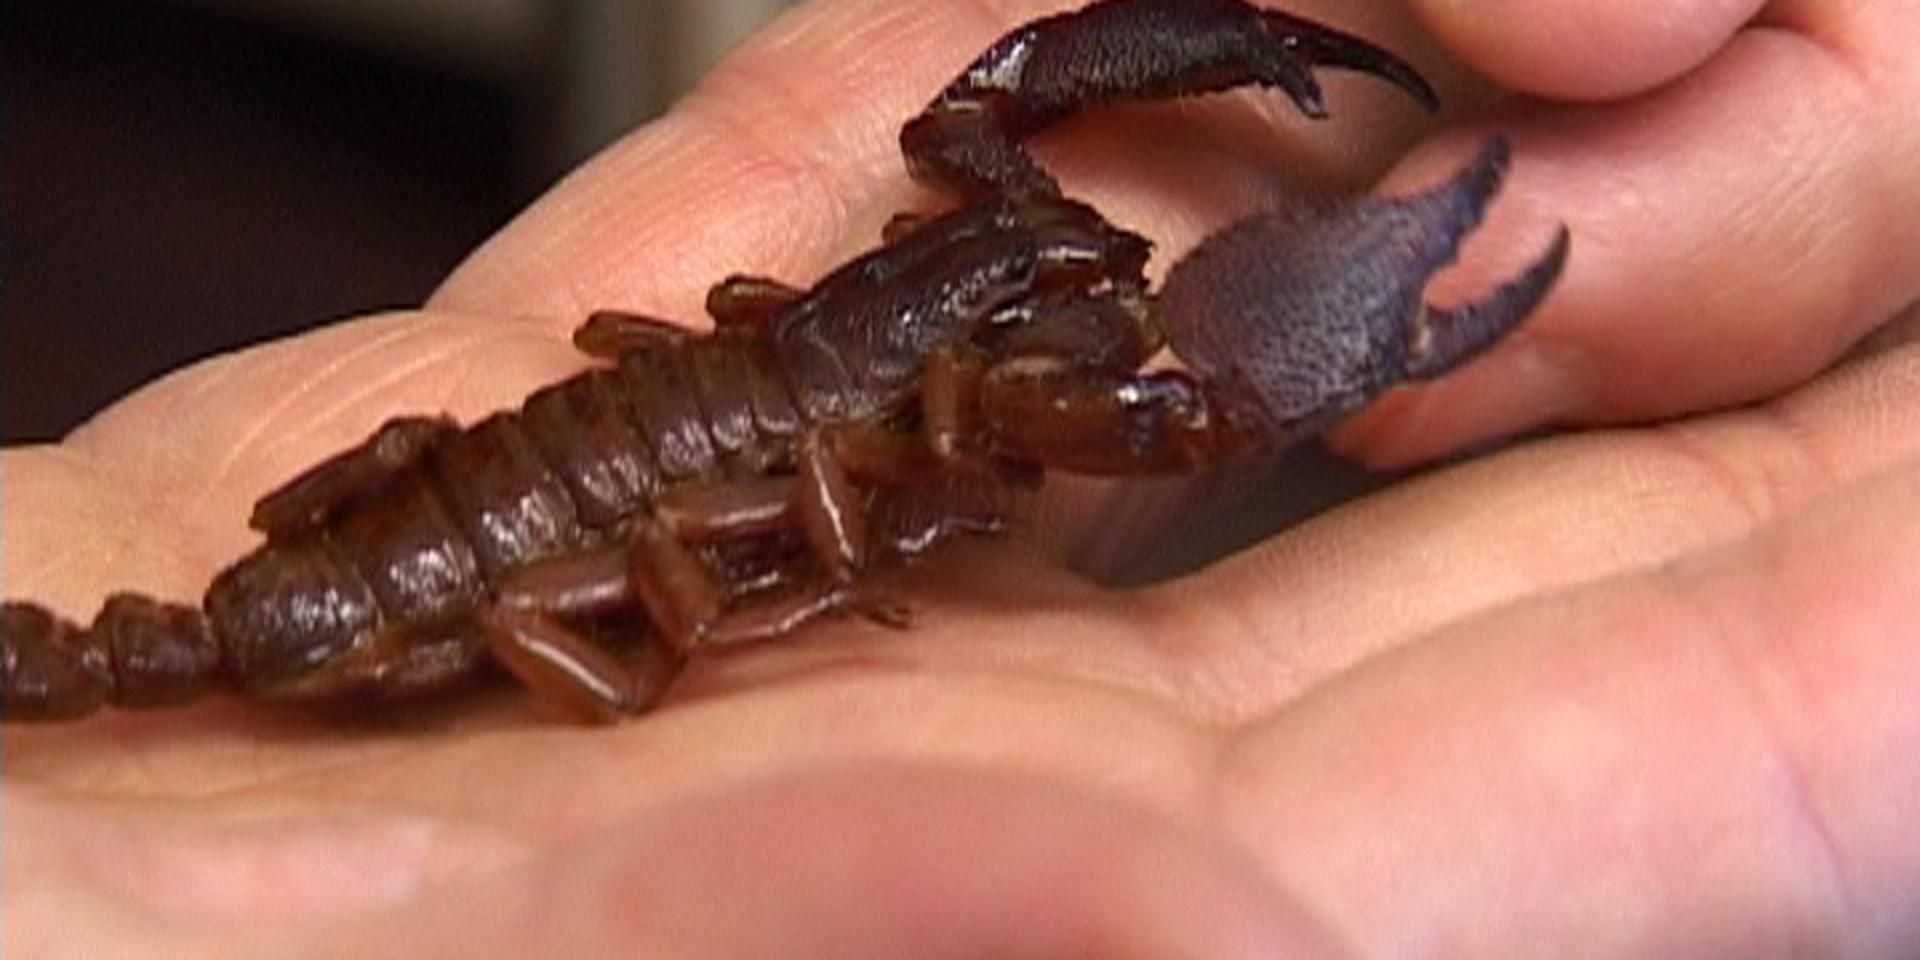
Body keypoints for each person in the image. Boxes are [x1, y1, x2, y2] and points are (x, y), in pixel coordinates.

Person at [6, 0, 1918, 954]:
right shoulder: (936, 408)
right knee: (766, 496)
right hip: (495, 564)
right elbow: (1098, 430)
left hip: (591, 455)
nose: (1066, 261)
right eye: (1036, 260)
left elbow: (977, 133)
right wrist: (737, 610)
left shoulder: (899, 291)